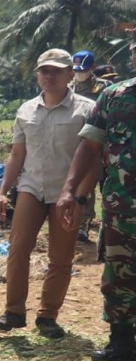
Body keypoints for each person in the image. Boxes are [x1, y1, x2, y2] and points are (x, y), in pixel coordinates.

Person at [0, 49, 93, 340]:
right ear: (38, 75)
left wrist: (81, 197)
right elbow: (17, 155)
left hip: (67, 194)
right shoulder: (26, 110)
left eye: (57, 71)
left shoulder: (85, 110)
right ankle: (14, 312)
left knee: (60, 257)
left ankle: (48, 316)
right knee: (18, 248)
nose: (50, 76)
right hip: (31, 189)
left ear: (70, 75)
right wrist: (2, 192)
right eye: (44, 71)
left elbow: (94, 160)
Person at [56, 41, 136, 361]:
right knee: (118, 276)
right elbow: (89, 147)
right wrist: (71, 190)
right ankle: (121, 343)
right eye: (135, 49)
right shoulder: (113, 96)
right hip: (121, 209)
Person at [71, 50, 106, 241]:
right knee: (81, 181)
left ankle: (97, 223)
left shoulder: (103, 87)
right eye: (76, 69)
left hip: (100, 141)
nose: (79, 73)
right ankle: (82, 221)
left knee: (100, 182)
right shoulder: (68, 87)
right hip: (76, 140)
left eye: (83, 69)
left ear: (92, 67)